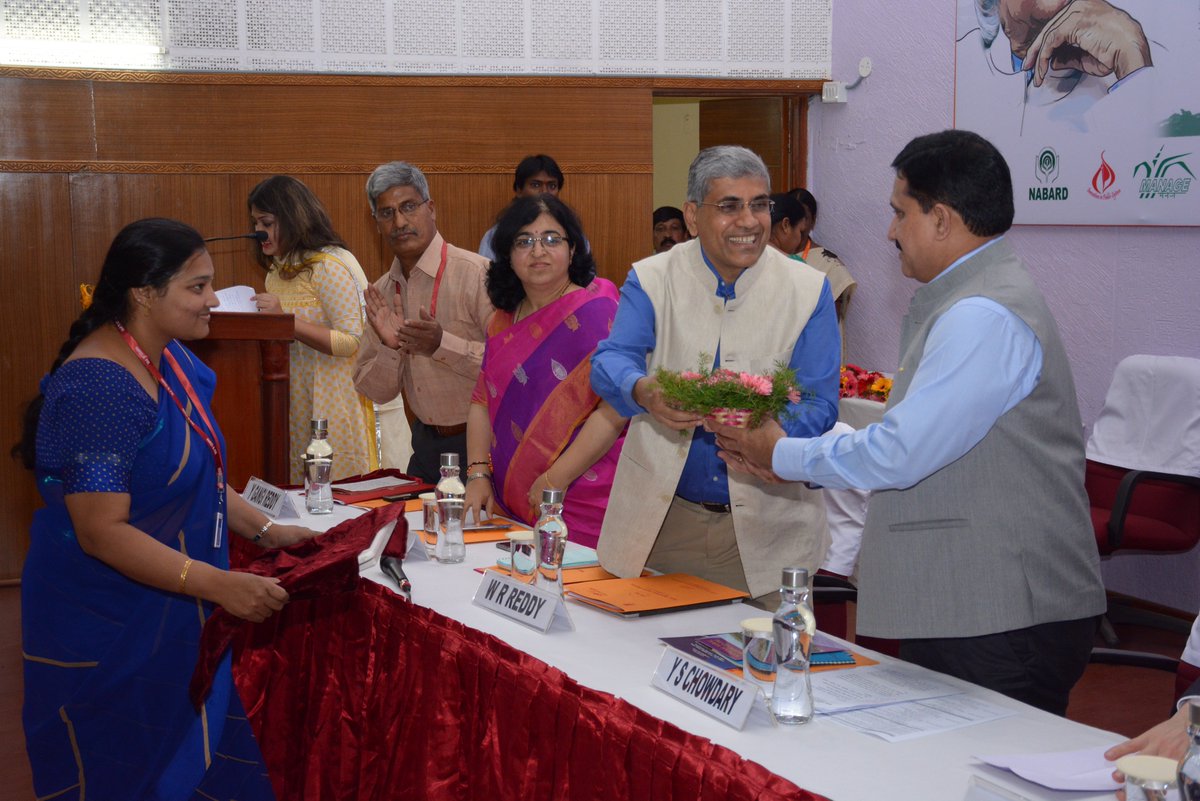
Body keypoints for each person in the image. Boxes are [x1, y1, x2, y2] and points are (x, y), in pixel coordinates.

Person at [711, 130, 1106, 715]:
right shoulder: (968, 300)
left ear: (941, 218)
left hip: (1001, 614)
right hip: (971, 603)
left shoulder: (982, 316)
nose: (890, 232)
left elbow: (901, 452)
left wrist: (782, 454)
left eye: (900, 213)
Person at [15, 218, 318, 799]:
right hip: (106, 625)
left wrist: (270, 530)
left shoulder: (168, 359)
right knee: (126, 773)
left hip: (175, 607)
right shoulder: (100, 386)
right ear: (143, 294)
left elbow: (200, 478)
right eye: (197, 288)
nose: (213, 300)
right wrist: (217, 585)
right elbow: (102, 532)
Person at [591, 145, 840, 603]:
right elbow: (611, 360)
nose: (749, 221)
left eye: (760, 204)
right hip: (665, 524)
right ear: (692, 215)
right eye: (729, 206)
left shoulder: (808, 289)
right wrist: (644, 390)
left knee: (765, 669)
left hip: (772, 529)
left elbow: (820, 404)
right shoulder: (652, 277)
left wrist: (760, 431)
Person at [463, 196, 626, 547]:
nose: (538, 250)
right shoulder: (501, 321)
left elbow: (613, 410)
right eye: (524, 241)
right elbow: (480, 400)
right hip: (511, 498)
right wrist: (478, 474)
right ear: (507, 254)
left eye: (552, 239)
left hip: (583, 497)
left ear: (573, 250)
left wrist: (555, 479)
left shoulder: (597, 311)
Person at [353, 161, 493, 483]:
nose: (399, 222)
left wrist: (441, 345)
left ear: (431, 209)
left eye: (408, 207)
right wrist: (392, 349)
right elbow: (374, 391)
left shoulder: (477, 275)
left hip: (484, 447)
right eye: (386, 213)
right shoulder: (383, 293)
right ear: (376, 223)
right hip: (425, 447)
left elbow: (511, 366)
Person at [248, 175, 377, 483]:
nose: (257, 232)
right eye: (254, 223)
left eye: (265, 222)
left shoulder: (331, 265)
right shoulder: (277, 271)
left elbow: (350, 341)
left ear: (292, 219)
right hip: (295, 399)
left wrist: (286, 322)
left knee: (338, 496)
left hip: (338, 399)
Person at [770, 189, 856, 359]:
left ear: (813, 221)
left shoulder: (829, 264)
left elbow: (825, 325)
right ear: (785, 224)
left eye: (805, 220)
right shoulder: (786, 263)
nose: (801, 231)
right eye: (798, 224)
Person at [478, 154, 568, 261]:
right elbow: (486, 275)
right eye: (535, 185)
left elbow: (586, 274)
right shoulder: (495, 235)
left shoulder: (571, 232)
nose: (544, 192)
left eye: (552, 186)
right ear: (519, 190)